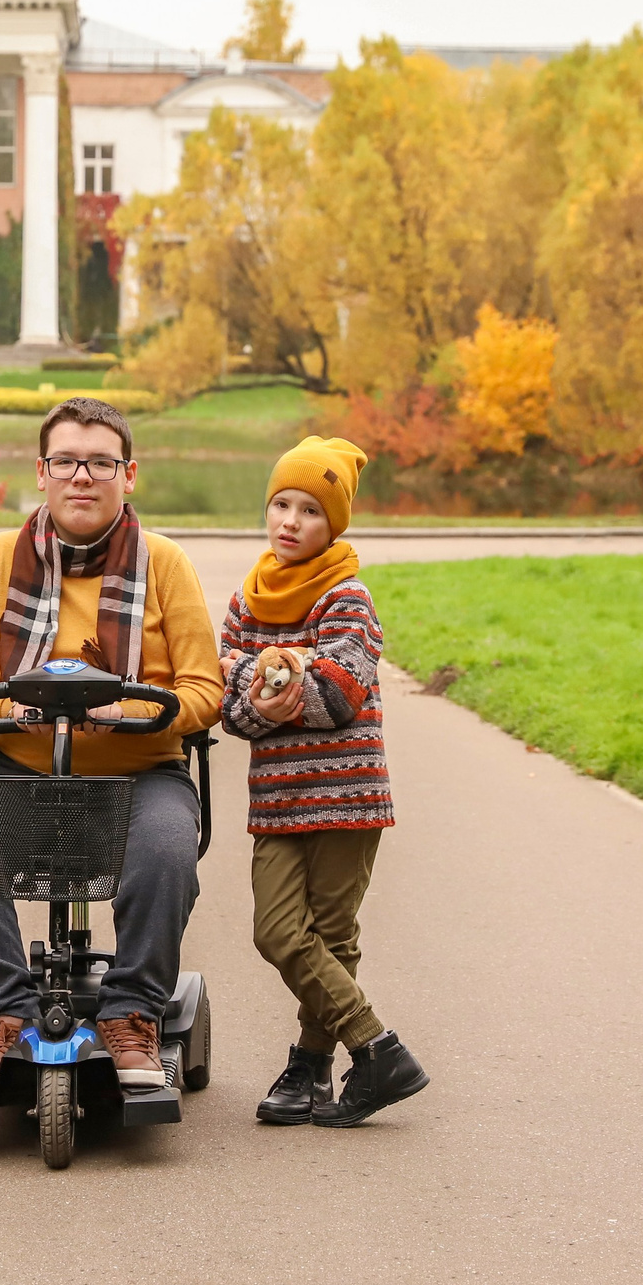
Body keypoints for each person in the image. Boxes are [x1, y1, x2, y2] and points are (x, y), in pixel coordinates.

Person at [0, 397, 224, 1091]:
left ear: (129, 474)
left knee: (167, 851)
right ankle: (5, 1009)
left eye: (100, 463)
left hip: (138, 769)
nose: (82, 476)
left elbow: (203, 691)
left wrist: (125, 711)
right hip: (13, 762)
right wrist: (16, 710)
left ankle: (133, 1012)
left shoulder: (167, 564)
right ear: (42, 472)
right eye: (65, 461)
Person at [217, 436, 429, 1127]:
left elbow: (337, 695)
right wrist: (280, 677)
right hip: (277, 801)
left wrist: (259, 676)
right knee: (277, 931)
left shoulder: (348, 598)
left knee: (332, 934)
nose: (291, 521)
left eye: (310, 510)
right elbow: (230, 709)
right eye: (282, 503)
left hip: (346, 795)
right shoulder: (248, 601)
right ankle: (377, 1047)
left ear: (332, 523)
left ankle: (308, 1068)